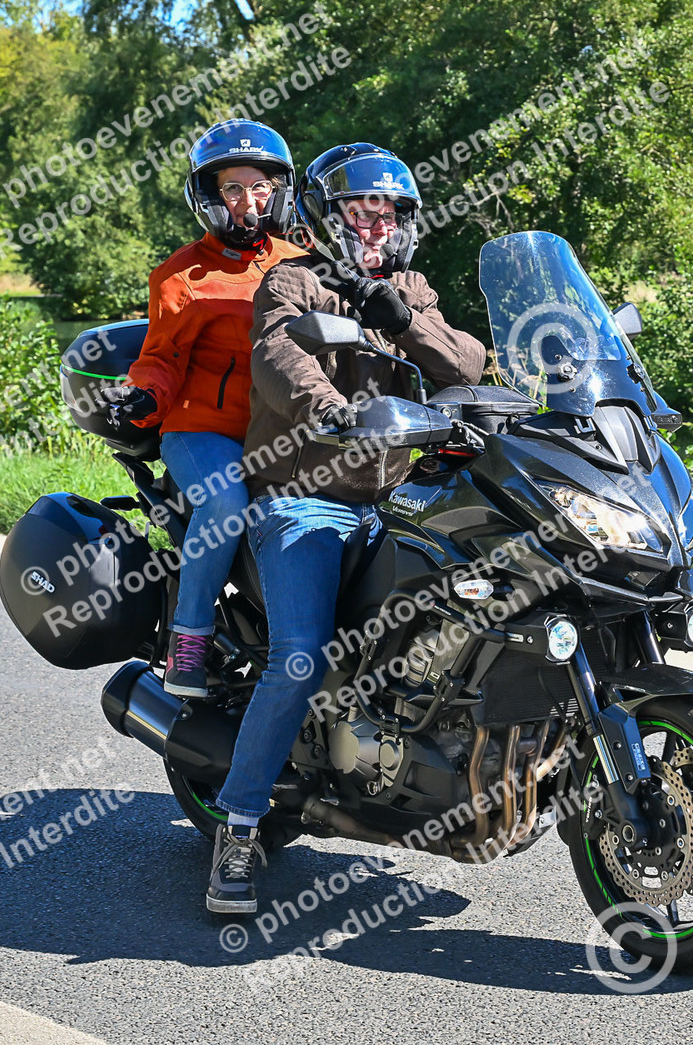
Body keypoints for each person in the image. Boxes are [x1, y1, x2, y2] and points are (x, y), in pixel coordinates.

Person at [206, 143, 487, 913]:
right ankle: (238, 827)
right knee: (299, 656)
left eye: (388, 214)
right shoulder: (292, 280)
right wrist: (331, 410)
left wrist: (404, 320)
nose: (375, 225)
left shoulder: (410, 288)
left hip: (396, 500)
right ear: (330, 217)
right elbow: (278, 360)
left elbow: (467, 365)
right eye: (361, 212)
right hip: (305, 499)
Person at [101, 119, 306, 696]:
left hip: (279, 433)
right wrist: (142, 396)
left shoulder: (302, 263)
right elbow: (161, 359)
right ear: (210, 197)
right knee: (224, 504)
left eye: (260, 186)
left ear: (279, 192)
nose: (248, 200)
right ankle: (187, 641)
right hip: (202, 431)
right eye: (232, 188)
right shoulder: (180, 276)